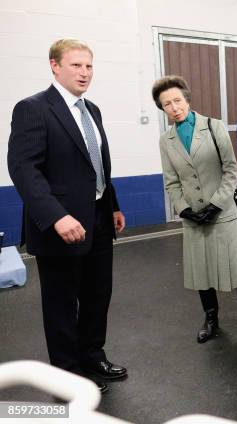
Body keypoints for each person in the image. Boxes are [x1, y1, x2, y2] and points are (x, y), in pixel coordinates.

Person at [7, 39, 126, 394]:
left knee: (96, 295)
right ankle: (67, 375)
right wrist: (56, 217)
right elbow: (24, 169)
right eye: (76, 65)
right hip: (61, 228)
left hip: (100, 218)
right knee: (61, 305)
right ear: (54, 66)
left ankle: (92, 355)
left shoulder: (93, 110)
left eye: (88, 66)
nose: (84, 73)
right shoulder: (33, 109)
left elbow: (96, 166)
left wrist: (113, 204)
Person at [152, 75, 237, 344]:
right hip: (193, 218)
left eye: (177, 100)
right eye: (167, 104)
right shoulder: (166, 140)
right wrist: (184, 209)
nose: (174, 107)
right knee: (202, 272)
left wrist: (215, 204)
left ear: (187, 99)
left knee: (236, 267)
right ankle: (211, 318)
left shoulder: (214, 126)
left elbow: (231, 169)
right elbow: (172, 181)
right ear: (162, 108)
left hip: (222, 212)